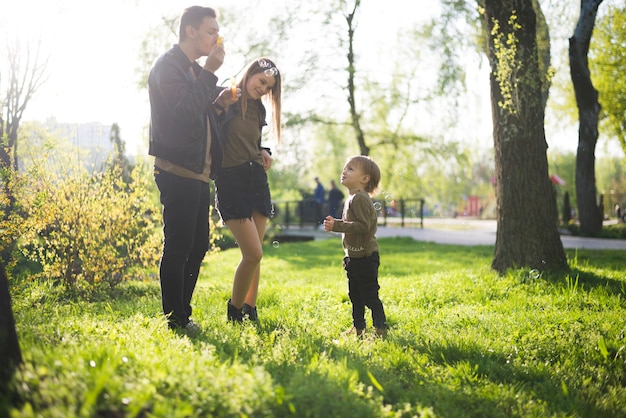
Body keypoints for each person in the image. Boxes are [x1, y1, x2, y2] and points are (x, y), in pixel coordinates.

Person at [148, 6, 234, 334]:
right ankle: (175, 319)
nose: (217, 37)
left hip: (199, 173)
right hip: (177, 171)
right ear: (191, 31)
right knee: (179, 246)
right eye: (211, 31)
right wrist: (211, 72)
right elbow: (183, 113)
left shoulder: (192, 70)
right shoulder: (167, 67)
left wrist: (218, 102)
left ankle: (182, 312)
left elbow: (197, 112)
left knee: (197, 247)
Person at [212, 57, 282, 322]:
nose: (263, 89)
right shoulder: (226, 96)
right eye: (261, 81)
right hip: (231, 181)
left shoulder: (259, 110)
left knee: (256, 257)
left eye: (268, 88)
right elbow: (211, 130)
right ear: (250, 73)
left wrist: (263, 150)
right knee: (253, 253)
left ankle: (250, 309)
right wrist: (220, 104)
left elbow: (250, 141)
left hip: (256, 179)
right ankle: (234, 311)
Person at [323, 155, 387, 338]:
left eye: (350, 169)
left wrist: (337, 225)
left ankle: (380, 328)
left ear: (365, 178)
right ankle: (359, 328)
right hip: (354, 258)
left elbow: (363, 226)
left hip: (365, 258)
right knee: (355, 296)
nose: (344, 171)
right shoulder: (353, 198)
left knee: (369, 297)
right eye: (345, 168)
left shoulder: (359, 198)